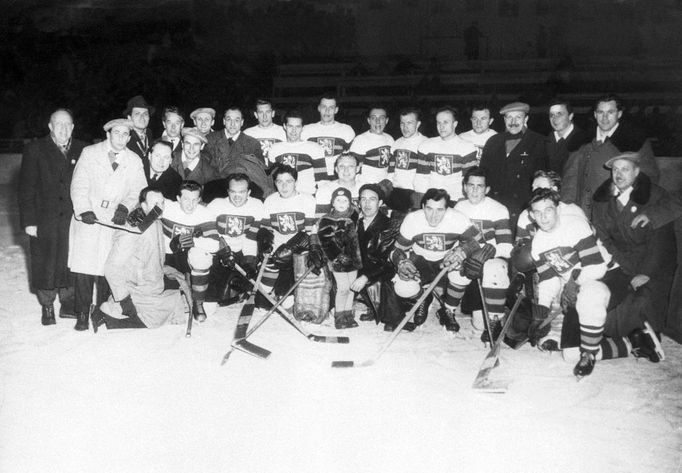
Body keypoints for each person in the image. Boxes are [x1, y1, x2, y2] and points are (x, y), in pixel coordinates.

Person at [68, 118, 147, 331]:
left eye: (125, 134)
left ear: (130, 137)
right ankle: (82, 312)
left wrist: (125, 207)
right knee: (84, 268)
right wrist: (83, 209)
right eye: (117, 133)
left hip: (114, 219)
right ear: (108, 134)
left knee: (107, 267)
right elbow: (79, 183)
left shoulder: (134, 159)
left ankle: (101, 310)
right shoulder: (90, 153)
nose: (121, 138)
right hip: (90, 215)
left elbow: (139, 191)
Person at [592, 152, 677, 341]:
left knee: (639, 304)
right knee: (605, 301)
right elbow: (603, 238)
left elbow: (662, 240)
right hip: (621, 263)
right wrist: (621, 266)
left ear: (636, 172)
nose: (619, 174)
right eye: (615, 169)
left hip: (652, 266)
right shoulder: (603, 200)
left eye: (625, 169)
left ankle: (644, 339)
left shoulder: (655, 196)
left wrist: (647, 272)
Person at [528, 188, 610, 377]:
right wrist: (541, 311)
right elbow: (548, 280)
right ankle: (630, 343)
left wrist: (573, 283)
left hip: (607, 278)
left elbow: (597, 268)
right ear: (532, 215)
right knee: (570, 355)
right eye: (538, 212)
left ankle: (589, 354)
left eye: (548, 210)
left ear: (558, 209)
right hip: (577, 289)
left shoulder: (575, 225)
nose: (544, 217)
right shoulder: (539, 243)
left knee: (591, 293)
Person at [19, 108, 88, 325]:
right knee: (44, 262)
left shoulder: (83, 148)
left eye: (68, 125)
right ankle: (47, 305)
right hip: (44, 218)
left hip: (71, 219)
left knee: (70, 260)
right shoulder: (35, 149)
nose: (64, 129)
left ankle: (68, 303)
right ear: (50, 126)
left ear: (73, 127)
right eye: (59, 124)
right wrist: (29, 221)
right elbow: (26, 188)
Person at [384, 188, 487, 332]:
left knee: (463, 272)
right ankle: (423, 298)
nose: (433, 216)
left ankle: (448, 310)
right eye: (429, 209)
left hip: (447, 259)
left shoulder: (457, 218)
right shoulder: (412, 219)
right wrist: (401, 261)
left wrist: (462, 251)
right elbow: (396, 250)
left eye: (439, 210)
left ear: (447, 209)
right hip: (421, 260)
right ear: (422, 206)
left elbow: (480, 243)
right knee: (402, 288)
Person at [92, 187, 184, 331]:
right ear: (143, 206)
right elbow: (111, 268)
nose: (160, 207)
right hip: (136, 290)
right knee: (158, 316)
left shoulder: (156, 222)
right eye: (155, 204)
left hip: (151, 285)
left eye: (162, 202)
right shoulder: (132, 230)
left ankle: (115, 313)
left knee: (182, 296)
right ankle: (109, 316)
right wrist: (125, 303)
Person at [562, 94, 659, 219]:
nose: (605, 117)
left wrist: (630, 207)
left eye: (610, 112)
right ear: (595, 114)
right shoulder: (581, 141)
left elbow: (649, 177)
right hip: (584, 213)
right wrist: (568, 208)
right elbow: (571, 178)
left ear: (619, 114)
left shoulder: (635, 141)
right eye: (600, 112)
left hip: (617, 214)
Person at [454, 167, 513, 336]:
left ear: (487, 189)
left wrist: (487, 252)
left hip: (491, 263)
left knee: (493, 268)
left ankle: (495, 319)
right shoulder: (459, 207)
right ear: (464, 187)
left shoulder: (498, 209)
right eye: (470, 185)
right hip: (469, 262)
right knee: (479, 326)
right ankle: (451, 310)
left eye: (479, 186)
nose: (474, 190)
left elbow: (507, 248)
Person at [480, 101, 548, 228]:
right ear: (504, 119)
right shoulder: (493, 142)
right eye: (509, 117)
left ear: (526, 118)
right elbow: (483, 174)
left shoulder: (539, 142)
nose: (513, 122)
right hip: (496, 206)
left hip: (524, 208)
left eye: (518, 117)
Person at [160, 180, 220, 322]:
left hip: (190, 258)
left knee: (201, 256)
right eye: (186, 199)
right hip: (168, 257)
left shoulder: (205, 214)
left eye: (194, 200)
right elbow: (144, 203)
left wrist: (191, 241)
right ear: (178, 198)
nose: (190, 204)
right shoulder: (167, 206)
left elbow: (214, 244)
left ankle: (198, 303)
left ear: (199, 200)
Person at [206, 173, 267, 303]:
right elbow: (210, 235)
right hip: (220, 251)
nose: (237, 196)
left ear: (249, 192)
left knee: (243, 280)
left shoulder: (257, 206)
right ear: (228, 191)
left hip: (242, 251)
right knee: (216, 293)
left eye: (242, 192)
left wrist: (249, 262)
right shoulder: (216, 205)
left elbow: (251, 238)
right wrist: (222, 251)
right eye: (233, 192)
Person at [259, 165, 317, 299]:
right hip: (278, 243)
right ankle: (268, 292)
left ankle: (287, 292)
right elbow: (267, 228)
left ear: (296, 182)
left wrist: (292, 247)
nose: (284, 186)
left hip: (300, 244)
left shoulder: (308, 200)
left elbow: (310, 231)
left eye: (289, 181)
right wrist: (266, 243)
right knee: (262, 301)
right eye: (280, 182)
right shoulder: (270, 200)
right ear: (275, 183)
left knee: (288, 297)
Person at [351, 183, 398, 324]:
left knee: (390, 316)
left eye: (372, 199)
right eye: (363, 199)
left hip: (380, 271)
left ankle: (376, 306)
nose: (367, 203)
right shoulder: (356, 223)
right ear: (359, 202)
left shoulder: (389, 226)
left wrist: (365, 277)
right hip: (360, 267)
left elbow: (386, 262)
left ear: (380, 203)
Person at [317, 187, 363, 329]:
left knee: (351, 288)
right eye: (338, 200)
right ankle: (339, 315)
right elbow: (326, 241)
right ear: (332, 202)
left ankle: (348, 315)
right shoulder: (327, 220)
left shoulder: (354, 215)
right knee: (343, 288)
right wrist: (337, 255)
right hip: (339, 260)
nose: (341, 203)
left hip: (354, 258)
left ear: (350, 203)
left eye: (345, 200)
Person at [414, 106, 478, 202]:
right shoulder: (426, 145)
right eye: (438, 122)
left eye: (445, 122)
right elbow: (421, 178)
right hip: (432, 199)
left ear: (455, 124)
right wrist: (426, 200)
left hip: (455, 199)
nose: (441, 126)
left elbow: (469, 180)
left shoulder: (467, 147)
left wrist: (463, 202)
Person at [301, 94, 356, 182]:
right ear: (319, 108)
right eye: (324, 107)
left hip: (338, 178)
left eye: (331, 107)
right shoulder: (306, 130)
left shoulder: (346, 130)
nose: (327, 111)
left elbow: (351, 160)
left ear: (336, 110)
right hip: (312, 178)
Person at [267, 110, 322, 196]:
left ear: (303, 127)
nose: (294, 130)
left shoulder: (314, 148)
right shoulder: (275, 149)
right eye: (290, 126)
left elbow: (322, 181)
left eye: (297, 126)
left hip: (307, 198)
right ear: (284, 126)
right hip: (282, 199)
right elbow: (271, 180)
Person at [205, 107, 264, 176]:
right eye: (229, 119)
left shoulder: (252, 144)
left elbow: (259, 172)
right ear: (224, 121)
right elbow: (204, 167)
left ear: (242, 122)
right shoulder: (211, 139)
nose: (232, 124)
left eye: (237, 120)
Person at [388, 107, 427, 210]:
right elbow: (390, 172)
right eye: (402, 123)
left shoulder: (426, 144)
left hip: (415, 194)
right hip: (396, 192)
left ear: (418, 124)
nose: (405, 127)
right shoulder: (396, 143)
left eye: (409, 123)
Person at [349, 106, 394, 184]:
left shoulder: (390, 139)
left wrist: (388, 182)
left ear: (386, 120)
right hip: (365, 186)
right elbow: (352, 167)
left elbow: (392, 165)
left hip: (384, 187)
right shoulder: (360, 140)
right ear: (369, 121)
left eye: (381, 118)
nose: (377, 121)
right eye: (373, 118)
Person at [545, 98, 589, 175]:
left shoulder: (584, 140)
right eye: (551, 115)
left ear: (570, 116)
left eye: (559, 114)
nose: (555, 119)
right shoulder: (544, 140)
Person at [315, 152, 364, 217]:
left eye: (351, 166)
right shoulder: (325, 190)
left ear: (357, 169)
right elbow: (321, 221)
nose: (346, 170)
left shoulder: (365, 189)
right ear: (336, 169)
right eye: (341, 166)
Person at [243, 99, 286, 163]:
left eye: (268, 112)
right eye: (261, 112)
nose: (264, 116)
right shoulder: (247, 134)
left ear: (273, 113)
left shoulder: (284, 132)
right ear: (256, 115)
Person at [124, 95, 155, 161]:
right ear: (129, 118)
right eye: (137, 114)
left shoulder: (149, 134)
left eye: (145, 114)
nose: (142, 117)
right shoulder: (123, 137)